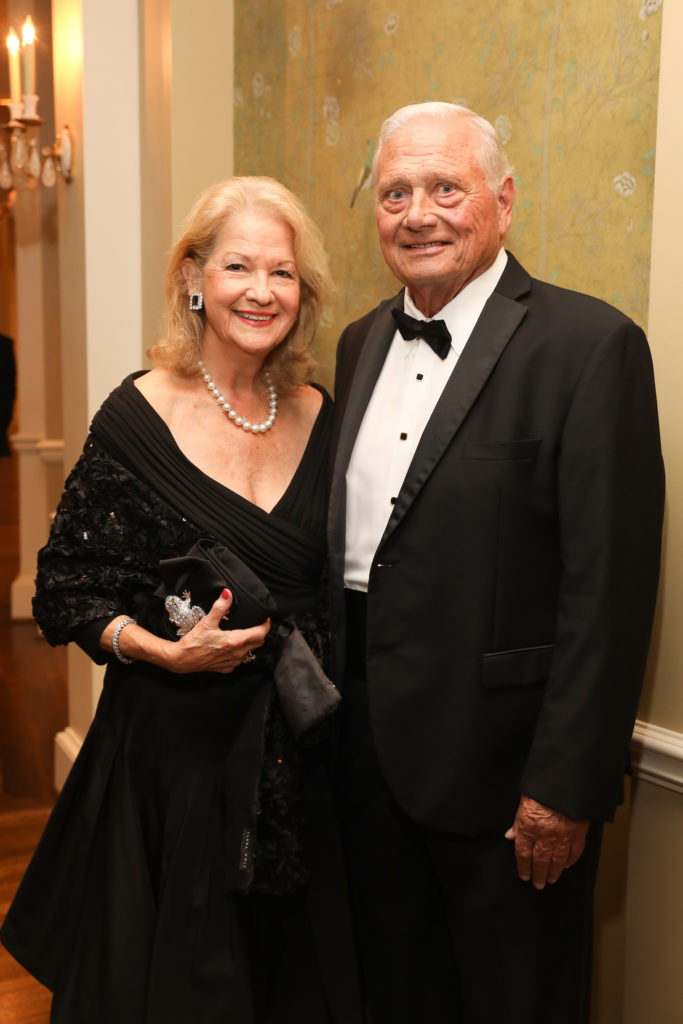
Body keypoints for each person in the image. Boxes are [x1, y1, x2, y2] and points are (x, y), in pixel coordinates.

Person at [328, 102, 664, 1024]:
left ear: (503, 202)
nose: (417, 213)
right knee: (391, 994)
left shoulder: (590, 347)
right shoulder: (357, 342)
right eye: (395, 192)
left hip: (503, 777)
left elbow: (608, 588)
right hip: (361, 760)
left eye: (446, 188)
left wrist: (563, 785)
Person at [1, 177, 361, 1024]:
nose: (261, 290)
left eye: (283, 272)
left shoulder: (322, 415)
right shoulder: (137, 415)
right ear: (194, 278)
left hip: (298, 768)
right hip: (175, 763)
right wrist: (162, 651)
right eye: (239, 266)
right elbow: (65, 590)